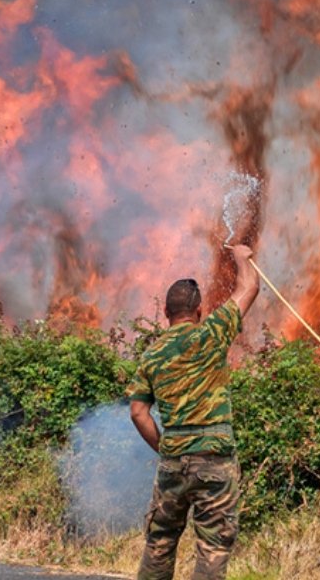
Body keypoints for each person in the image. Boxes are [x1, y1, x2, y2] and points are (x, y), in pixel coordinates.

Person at [127, 244, 260, 580]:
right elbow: (249, 287)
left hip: (173, 461)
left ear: (166, 313)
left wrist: (166, 447)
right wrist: (241, 258)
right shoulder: (211, 333)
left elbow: (138, 413)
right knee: (213, 547)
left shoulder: (152, 356)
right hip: (214, 459)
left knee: (160, 541)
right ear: (199, 310)